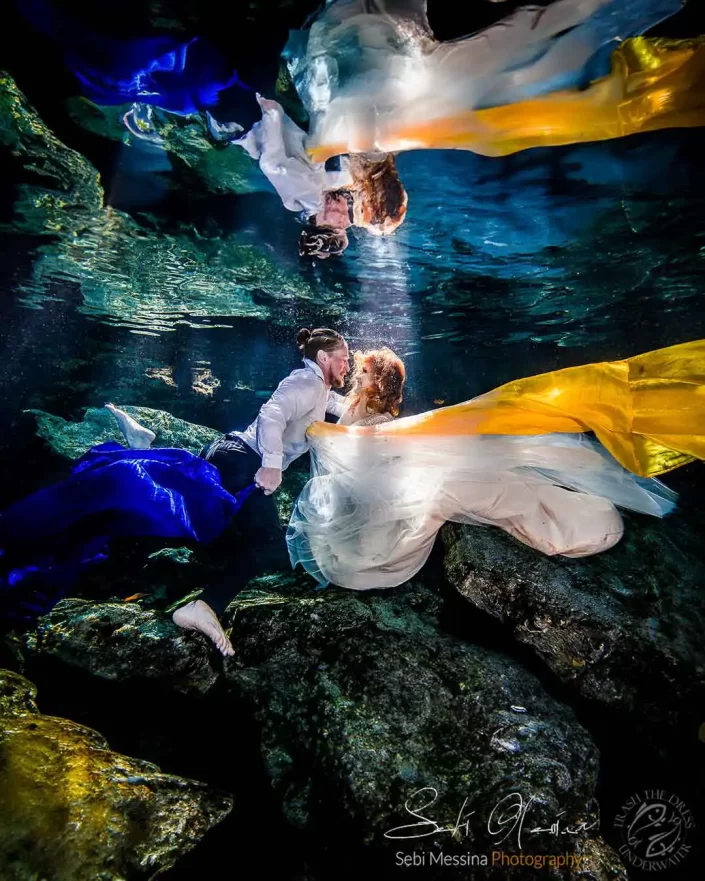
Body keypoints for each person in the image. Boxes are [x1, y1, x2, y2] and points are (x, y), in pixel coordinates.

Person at [286, 338, 705, 591]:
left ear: (372, 382)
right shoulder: (359, 412)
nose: (353, 379)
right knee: (456, 484)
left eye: (360, 375)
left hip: (376, 527)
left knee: (468, 485)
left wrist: (323, 431)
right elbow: (350, 425)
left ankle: (570, 523)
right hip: (365, 521)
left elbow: (368, 444)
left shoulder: (373, 421)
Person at [282, 0, 699, 163]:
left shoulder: (416, 113)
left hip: (388, 43)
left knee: (535, 43)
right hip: (356, 26)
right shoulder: (334, 124)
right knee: (532, 40)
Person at [171, 327, 350, 655]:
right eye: (343, 359)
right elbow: (271, 414)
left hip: (227, 453)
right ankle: (204, 606)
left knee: (207, 530)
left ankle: (141, 447)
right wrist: (271, 463)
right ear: (323, 357)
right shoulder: (307, 383)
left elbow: (345, 408)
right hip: (242, 459)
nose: (347, 366)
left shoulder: (318, 388)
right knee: (267, 541)